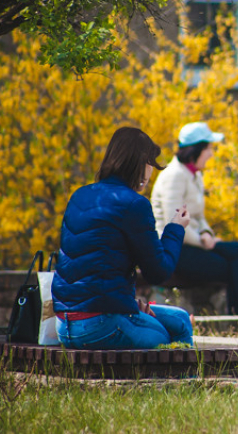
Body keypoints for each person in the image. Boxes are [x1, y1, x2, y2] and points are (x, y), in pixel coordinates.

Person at [53, 127, 194, 349]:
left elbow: (94, 264)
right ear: (138, 163)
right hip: (101, 322)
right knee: (173, 335)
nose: (151, 171)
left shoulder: (80, 195)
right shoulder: (134, 204)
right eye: (150, 163)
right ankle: (183, 381)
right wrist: (175, 228)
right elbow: (159, 272)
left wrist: (129, 303)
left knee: (180, 318)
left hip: (63, 324)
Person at [151, 122, 238, 315]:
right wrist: (203, 241)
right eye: (208, 148)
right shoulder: (174, 175)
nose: (211, 154)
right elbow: (172, 223)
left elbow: (199, 217)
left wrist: (207, 233)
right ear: (195, 150)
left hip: (195, 244)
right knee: (236, 260)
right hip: (176, 250)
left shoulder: (194, 175)